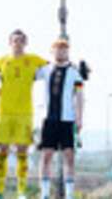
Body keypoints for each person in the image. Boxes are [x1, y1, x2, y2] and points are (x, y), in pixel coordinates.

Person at [0, 30, 47, 198]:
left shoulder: (33, 59)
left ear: (26, 43)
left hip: (25, 113)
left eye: (21, 40)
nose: (18, 43)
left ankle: (21, 191)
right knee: (2, 151)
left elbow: (52, 68)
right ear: (10, 42)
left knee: (23, 151)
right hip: (4, 113)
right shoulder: (2, 61)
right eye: (15, 40)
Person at [36, 39, 86, 199]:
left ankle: (69, 194)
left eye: (64, 49)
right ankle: (44, 193)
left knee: (69, 156)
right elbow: (27, 75)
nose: (61, 52)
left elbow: (79, 95)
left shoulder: (74, 72)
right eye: (57, 49)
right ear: (52, 51)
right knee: (46, 155)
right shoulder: (45, 69)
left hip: (67, 120)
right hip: (49, 119)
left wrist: (79, 118)